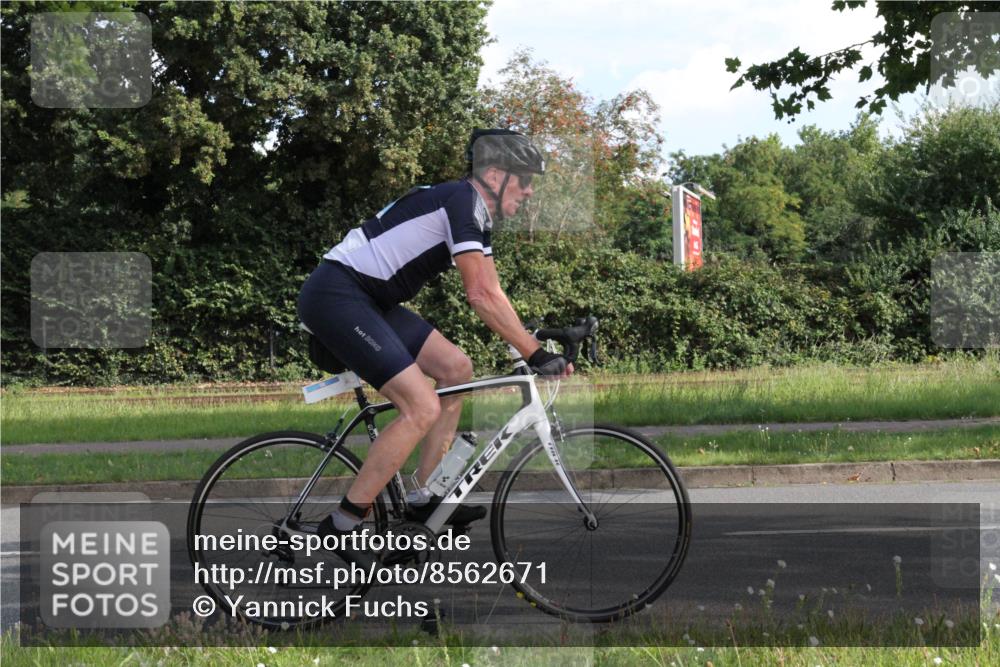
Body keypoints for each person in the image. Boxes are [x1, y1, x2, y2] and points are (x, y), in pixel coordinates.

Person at [297, 129, 573, 557]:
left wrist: (531, 344)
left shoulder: (476, 215)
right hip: (339, 294)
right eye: (524, 180)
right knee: (421, 405)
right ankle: (344, 522)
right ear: (496, 175)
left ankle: (425, 494)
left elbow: (494, 292)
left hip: (370, 301)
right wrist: (534, 355)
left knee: (456, 370)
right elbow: (478, 295)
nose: (531, 191)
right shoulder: (463, 202)